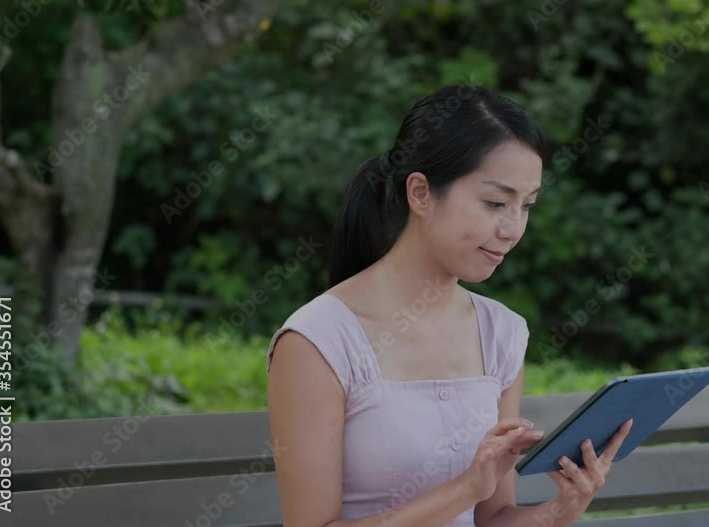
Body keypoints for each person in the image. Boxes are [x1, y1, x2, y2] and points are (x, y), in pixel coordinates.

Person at [265, 83, 632, 527]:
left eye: (526, 206)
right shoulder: (318, 341)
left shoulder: (500, 333)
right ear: (420, 193)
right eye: (495, 203)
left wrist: (561, 509)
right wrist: (464, 489)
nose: (512, 229)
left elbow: (492, 517)